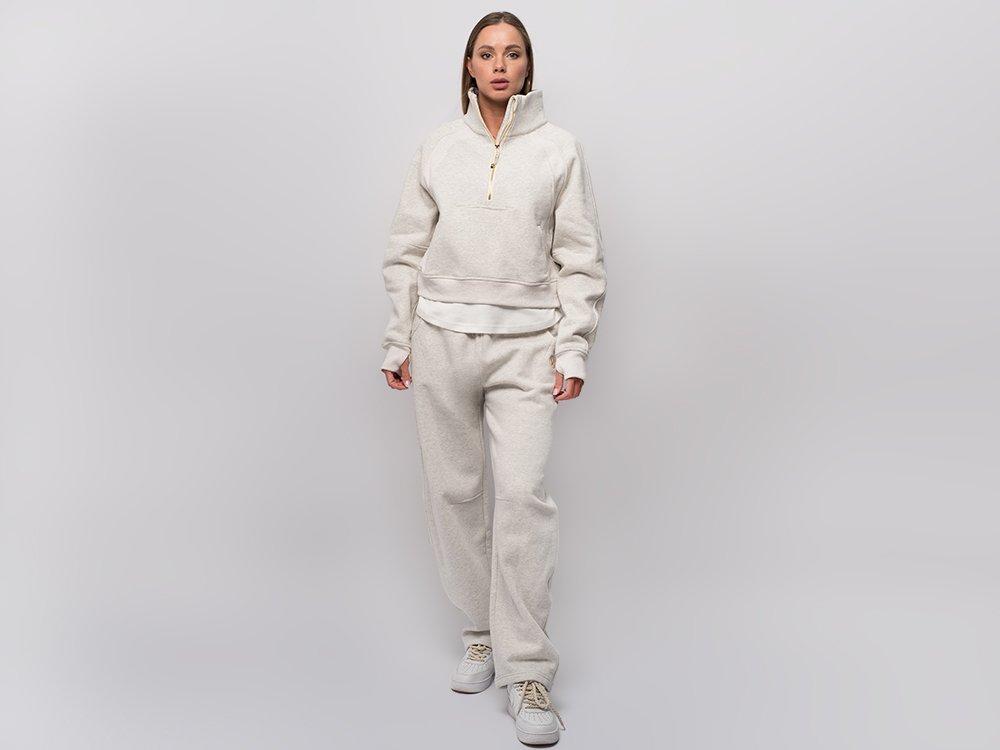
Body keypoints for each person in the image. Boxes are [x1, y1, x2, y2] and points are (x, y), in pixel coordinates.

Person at [378, 11, 607, 746]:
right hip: (441, 339)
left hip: (526, 346)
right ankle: (480, 632)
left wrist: (571, 350)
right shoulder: (438, 147)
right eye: (487, 53)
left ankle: (528, 668)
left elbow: (581, 257)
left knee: (523, 500)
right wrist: (398, 336)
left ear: (528, 65)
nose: (500, 64)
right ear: (469, 66)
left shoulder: (559, 149)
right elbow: (406, 249)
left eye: (513, 52)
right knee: (454, 492)